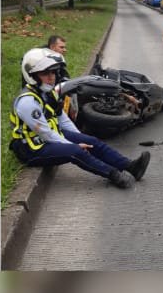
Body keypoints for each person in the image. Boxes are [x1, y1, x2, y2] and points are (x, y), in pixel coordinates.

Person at [9, 48, 150, 189]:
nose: (51, 77)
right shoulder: (27, 102)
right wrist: (73, 145)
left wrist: (79, 138)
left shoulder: (48, 93)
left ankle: (130, 166)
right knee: (75, 152)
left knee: (91, 141)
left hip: (49, 136)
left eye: (53, 72)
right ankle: (113, 174)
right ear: (31, 75)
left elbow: (62, 119)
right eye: (45, 73)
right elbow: (45, 133)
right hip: (32, 149)